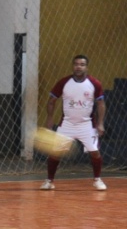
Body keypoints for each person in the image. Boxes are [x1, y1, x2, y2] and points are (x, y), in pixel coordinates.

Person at [41, 55, 107, 191]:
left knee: (95, 153)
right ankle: (49, 181)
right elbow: (52, 101)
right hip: (67, 125)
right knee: (55, 153)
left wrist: (100, 123)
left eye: (82, 64)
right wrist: (49, 118)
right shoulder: (64, 82)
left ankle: (97, 179)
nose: (79, 67)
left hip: (87, 125)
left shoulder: (94, 83)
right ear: (73, 66)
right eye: (76, 64)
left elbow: (101, 104)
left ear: (86, 67)